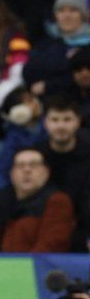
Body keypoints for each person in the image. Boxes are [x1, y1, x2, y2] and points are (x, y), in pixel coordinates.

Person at [0, 147, 75, 252]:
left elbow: (52, 245)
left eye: (33, 165)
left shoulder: (57, 201)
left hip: (32, 272)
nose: (26, 170)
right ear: (12, 173)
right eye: (20, 166)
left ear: (46, 172)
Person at [36, 95, 90, 250]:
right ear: (45, 123)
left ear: (78, 121)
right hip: (47, 226)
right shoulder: (36, 156)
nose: (60, 126)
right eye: (55, 120)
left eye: (67, 119)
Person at [24, 0, 90, 98]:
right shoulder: (46, 42)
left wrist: (49, 85)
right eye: (61, 10)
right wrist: (71, 63)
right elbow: (29, 71)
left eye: (73, 10)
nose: (66, 16)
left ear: (83, 15)